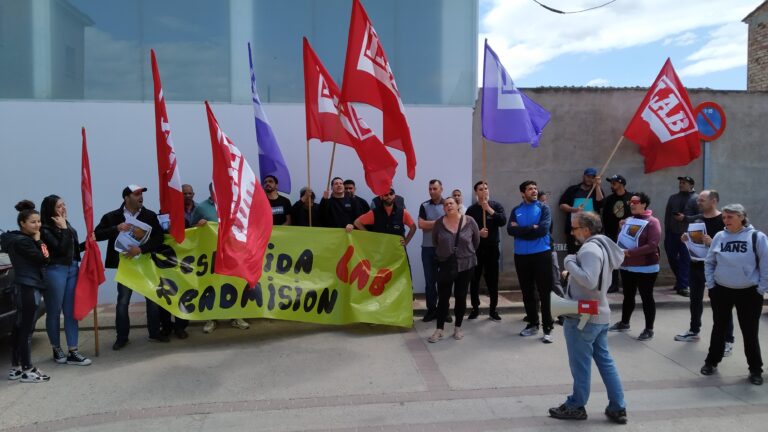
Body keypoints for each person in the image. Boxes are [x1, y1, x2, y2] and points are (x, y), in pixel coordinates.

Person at [548, 211, 627, 424]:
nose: (572, 232)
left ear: (586, 229)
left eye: (574, 228)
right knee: (605, 362)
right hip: (598, 313)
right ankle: (617, 406)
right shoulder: (603, 246)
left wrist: (569, 263)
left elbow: (590, 281)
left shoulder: (590, 249)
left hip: (583, 318)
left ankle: (576, 406)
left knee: (580, 366)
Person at [700, 204, 768, 385]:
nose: (726, 221)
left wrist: (761, 289)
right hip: (722, 290)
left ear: (742, 217)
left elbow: (765, 265)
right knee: (719, 328)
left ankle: (755, 370)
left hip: (749, 293)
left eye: (730, 217)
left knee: (750, 332)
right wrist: (711, 285)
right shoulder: (719, 237)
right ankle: (711, 362)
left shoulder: (757, 237)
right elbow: (709, 262)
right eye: (724, 217)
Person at [94, 185, 166, 349]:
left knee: (152, 299)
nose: (141, 196)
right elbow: (96, 235)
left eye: (142, 194)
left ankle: (154, 333)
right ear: (126, 197)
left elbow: (159, 237)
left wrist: (141, 249)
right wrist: (116, 228)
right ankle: (122, 337)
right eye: (137, 194)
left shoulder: (149, 215)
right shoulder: (112, 216)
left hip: (145, 262)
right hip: (124, 265)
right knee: (123, 301)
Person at [675, 190, 735, 353]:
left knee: (722, 305)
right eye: (698, 200)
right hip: (696, 265)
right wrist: (687, 239)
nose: (698, 202)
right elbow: (693, 238)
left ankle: (728, 339)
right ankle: (694, 331)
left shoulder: (725, 220)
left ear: (714, 200)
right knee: (695, 300)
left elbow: (731, 245)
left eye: (702, 200)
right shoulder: (697, 219)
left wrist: (713, 242)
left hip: (717, 267)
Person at [190, 183, 251, 334]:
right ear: (211, 191)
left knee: (233, 284)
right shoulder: (201, 208)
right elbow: (190, 230)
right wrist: (198, 225)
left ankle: (236, 317)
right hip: (211, 255)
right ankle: (211, 319)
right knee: (211, 286)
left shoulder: (233, 207)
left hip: (232, 254)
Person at [2, 201, 51, 383]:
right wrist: (39, 239)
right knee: (26, 329)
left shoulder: (14, 239)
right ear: (22, 223)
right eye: (33, 222)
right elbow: (45, 258)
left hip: (23, 286)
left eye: (38, 221)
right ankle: (27, 369)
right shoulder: (25, 242)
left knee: (19, 327)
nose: (37, 225)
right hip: (28, 287)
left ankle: (16, 367)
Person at [39, 195, 91, 365]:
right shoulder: (44, 230)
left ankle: (73, 351)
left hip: (72, 269)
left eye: (64, 204)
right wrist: (63, 229)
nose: (64, 208)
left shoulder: (66, 225)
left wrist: (88, 244)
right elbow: (60, 249)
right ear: (50, 209)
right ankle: (56, 348)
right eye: (59, 206)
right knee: (54, 312)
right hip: (55, 270)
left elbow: (72, 249)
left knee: (71, 312)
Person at [609, 192, 662, 341]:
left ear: (644, 204)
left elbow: (652, 245)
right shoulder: (629, 220)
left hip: (646, 266)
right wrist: (621, 228)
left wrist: (630, 253)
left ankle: (649, 329)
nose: (632, 204)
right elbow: (623, 240)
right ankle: (624, 322)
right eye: (630, 202)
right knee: (628, 296)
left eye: (635, 202)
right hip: (627, 266)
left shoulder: (653, 222)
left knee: (646, 297)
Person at [508, 180, 555, 343]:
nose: (534, 191)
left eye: (535, 188)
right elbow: (510, 230)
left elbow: (542, 230)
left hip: (541, 254)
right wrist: (531, 228)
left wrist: (521, 231)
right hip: (521, 255)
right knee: (527, 292)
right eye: (530, 189)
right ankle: (533, 324)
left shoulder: (544, 208)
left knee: (544, 292)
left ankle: (547, 327)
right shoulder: (516, 210)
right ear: (523, 193)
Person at [427, 197, 479, 343]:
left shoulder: (469, 221)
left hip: (466, 264)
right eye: (445, 204)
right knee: (443, 297)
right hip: (446, 264)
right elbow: (435, 242)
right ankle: (439, 329)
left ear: (457, 206)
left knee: (461, 296)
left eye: (451, 203)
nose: (448, 206)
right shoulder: (438, 223)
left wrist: (465, 253)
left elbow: (476, 241)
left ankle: (458, 327)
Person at [465, 181, 506, 320]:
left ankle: (493, 310)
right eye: (481, 189)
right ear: (476, 192)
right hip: (476, 249)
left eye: (486, 188)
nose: (484, 191)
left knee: (492, 280)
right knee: (474, 280)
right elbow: (465, 231)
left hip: (492, 248)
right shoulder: (471, 210)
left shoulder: (496, 206)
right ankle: (475, 308)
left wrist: (488, 209)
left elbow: (502, 221)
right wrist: (478, 233)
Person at [418, 179, 450, 323]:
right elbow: (421, 225)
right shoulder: (424, 206)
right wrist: (440, 221)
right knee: (430, 282)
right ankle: (431, 310)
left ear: (441, 189)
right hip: (428, 249)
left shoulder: (448, 204)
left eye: (434, 188)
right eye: (430, 189)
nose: (431, 191)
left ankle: (444, 311)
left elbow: (451, 223)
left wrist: (432, 223)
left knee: (444, 282)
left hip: (445, 249)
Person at [664, 176, 698, 297]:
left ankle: (683, 286)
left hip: (687, 235)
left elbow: (701, 216)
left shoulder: (696, 199)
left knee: (685, 260)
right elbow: (668, 215)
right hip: (672, 234)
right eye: (680, 183)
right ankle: (681, 280)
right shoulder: (673, 198)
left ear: (691, 185)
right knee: (672, 258)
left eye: (684, 183)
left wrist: (686, 218)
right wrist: (667, 230)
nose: (681, 184)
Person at [559, 168, 604, 254]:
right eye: (588, 176)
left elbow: (601, 204)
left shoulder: (596, 191)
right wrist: (574, 209)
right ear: (583, 176)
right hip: (574, 231)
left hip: (592, 231)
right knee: (574, 255)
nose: (589, 179)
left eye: (592, 177)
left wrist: (598, 186)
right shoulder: (573, 190)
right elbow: (562, 205)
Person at [602, 175, 632, 293]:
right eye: (611, 183)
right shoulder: (609, 199)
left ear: (621, 183)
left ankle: (629, 284)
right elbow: (602, 210)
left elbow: (638, 214)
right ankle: (613, 284)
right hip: (612, 234)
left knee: (628, 260)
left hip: (628, 236)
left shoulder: (631, 198)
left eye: (614, 183)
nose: (611, 185)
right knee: (613, 260)